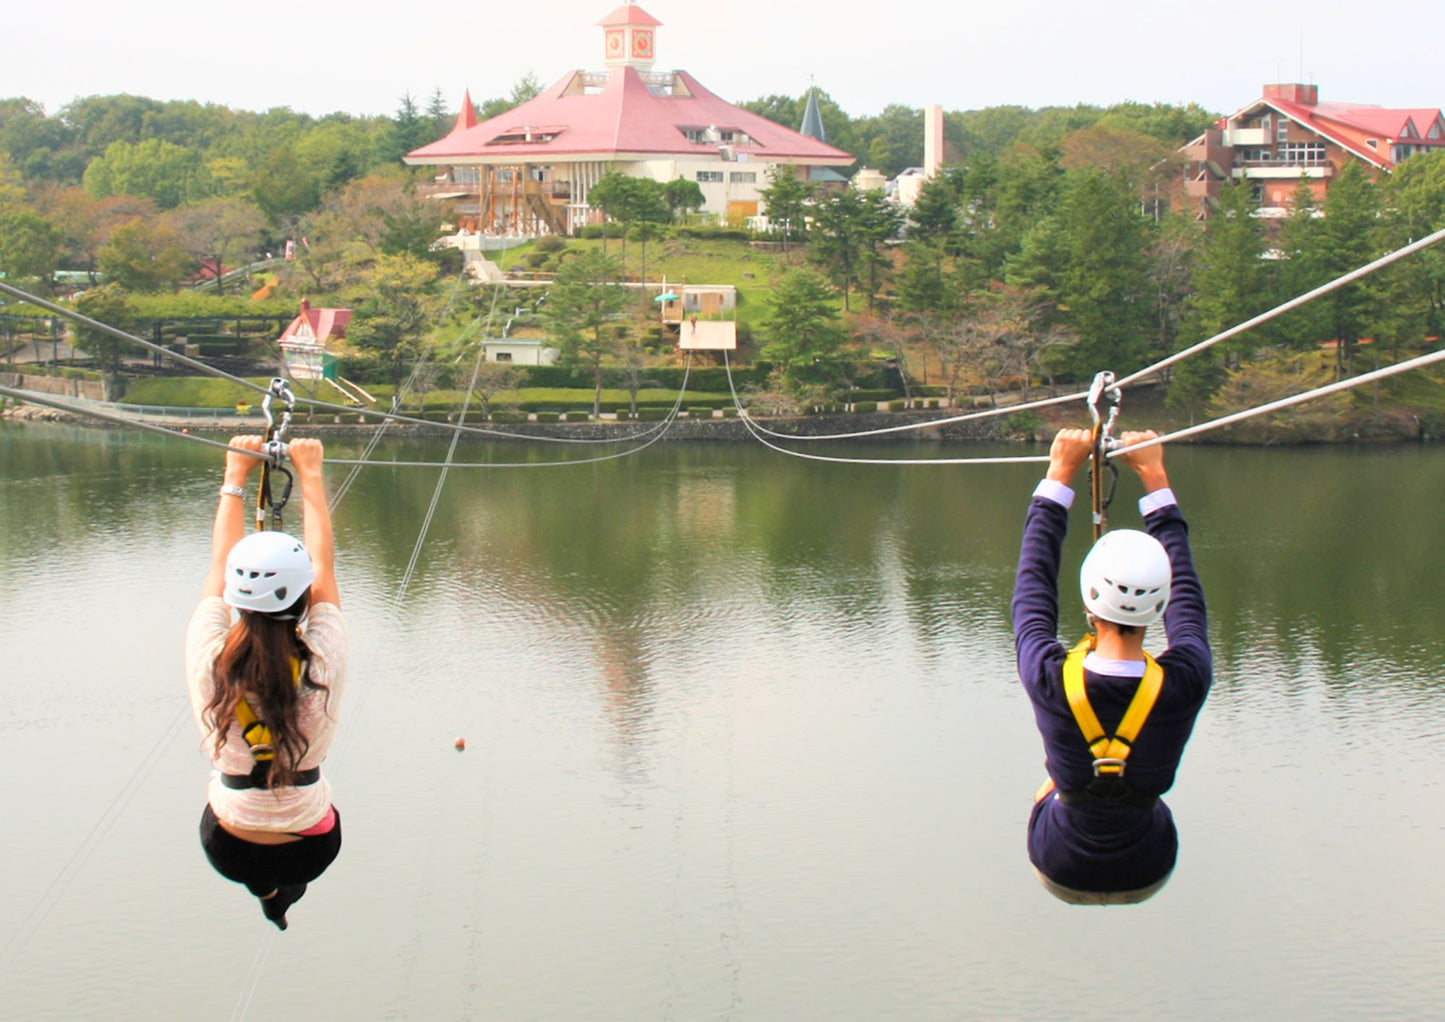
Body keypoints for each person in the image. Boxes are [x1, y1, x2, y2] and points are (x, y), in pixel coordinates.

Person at [1012, 428, 1211, 905]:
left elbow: (1033, 584)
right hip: (1147, 865)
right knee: (1131, 790)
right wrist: (1153, 474)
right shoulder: (1186, 679)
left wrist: (1060, 473)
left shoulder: (1052, 677)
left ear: (1088, 601)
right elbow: (1185, 591)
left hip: (1058, 862)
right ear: (1159, 605)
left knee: (1058, 783)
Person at [185, 435, 346, 930]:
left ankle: (269, 892)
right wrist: (311, 474)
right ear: (300, 599)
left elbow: (219, 563)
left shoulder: (210, 656)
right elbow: (323, 570)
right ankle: (275, 891)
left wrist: (235, 478)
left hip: (230, 845)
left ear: (237, 596)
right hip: (310, 849)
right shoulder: (321, 659)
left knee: (259, 857)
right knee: (285, 838)